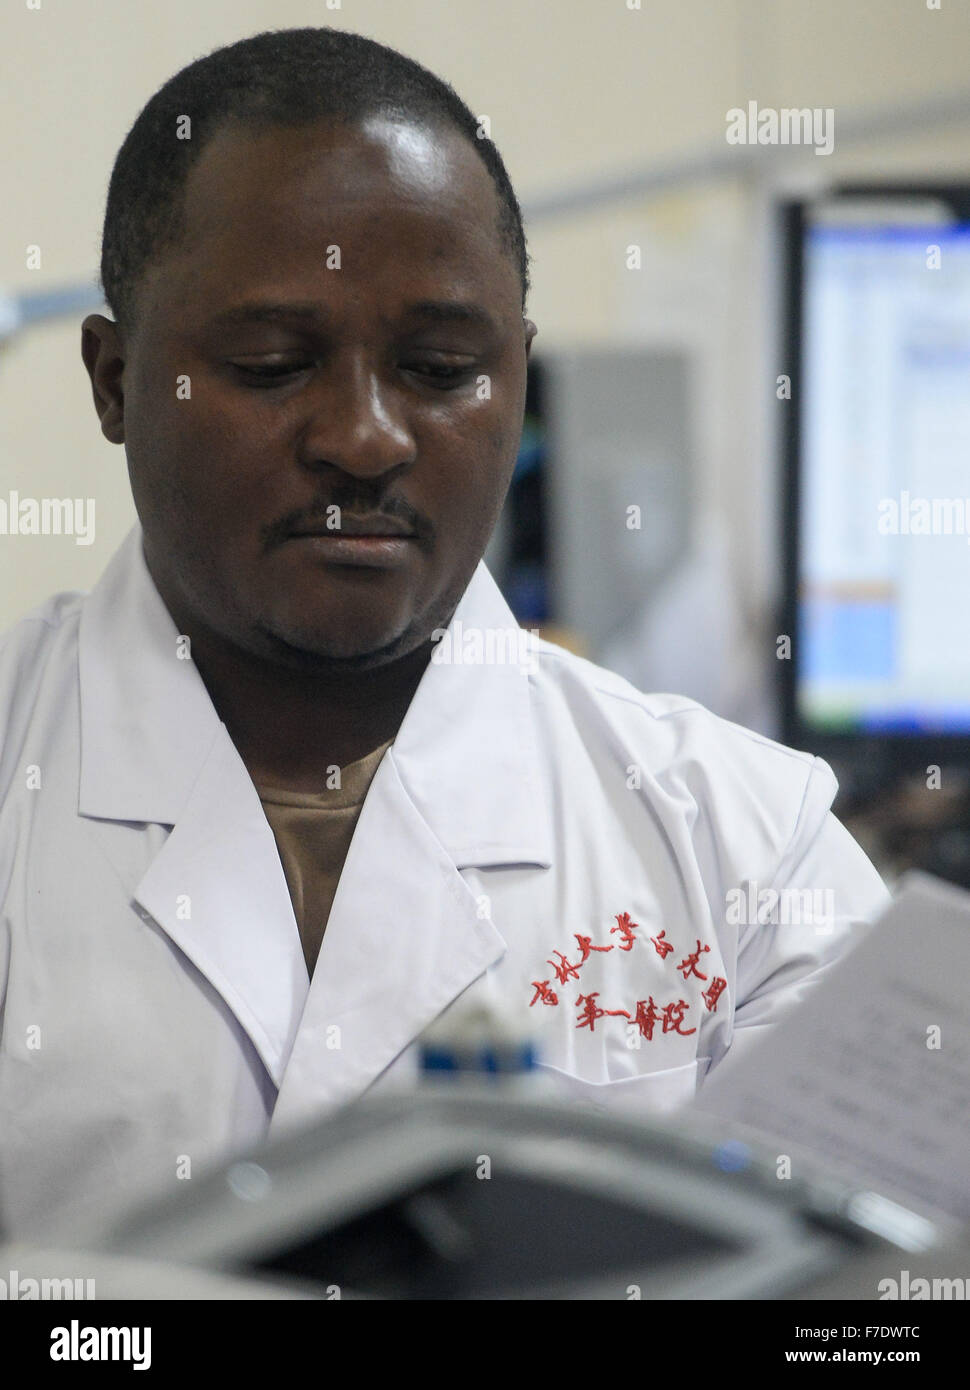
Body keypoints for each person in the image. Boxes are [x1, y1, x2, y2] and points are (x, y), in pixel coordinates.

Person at [0, 27, 888, 1239]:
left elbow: (855, 1303)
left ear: (517, 379)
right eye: (272, 364)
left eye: (439, 366)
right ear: (113, 380)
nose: (364, 438)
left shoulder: (749, 853)